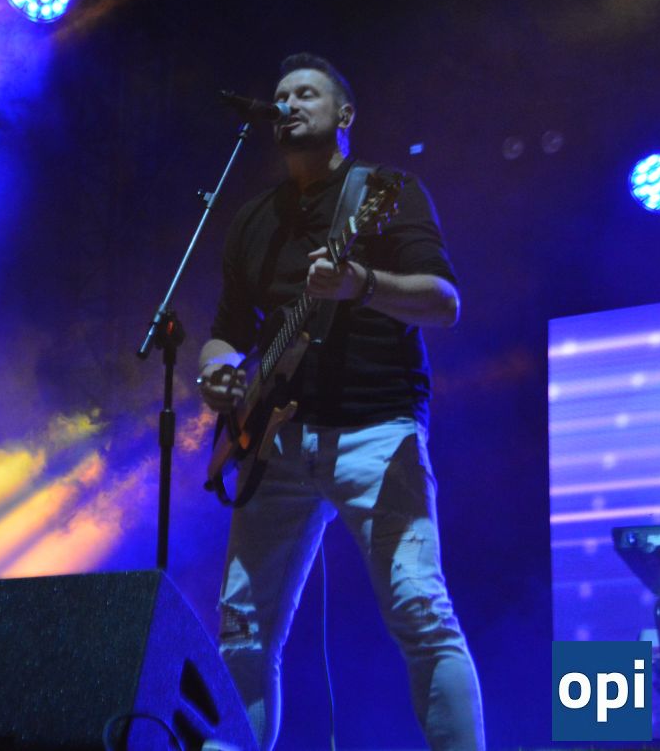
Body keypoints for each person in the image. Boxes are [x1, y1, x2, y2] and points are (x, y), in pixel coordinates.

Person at [197, 54, 484, 750]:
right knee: (242, 630)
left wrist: (361, 283)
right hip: (275, 445)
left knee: (421, 613)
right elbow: (227, 333)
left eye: (306, 93)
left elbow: (444, 303)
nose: (289, 104)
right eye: (281, 95)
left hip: (376, 429)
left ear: (345, 114)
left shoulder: (387, 192)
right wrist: (218, 373)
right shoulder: (253, 220)